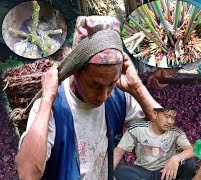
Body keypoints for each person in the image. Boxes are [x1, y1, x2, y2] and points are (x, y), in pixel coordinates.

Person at [15, 16, 161, 180]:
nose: (103, 96)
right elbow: (27, 173)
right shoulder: (53, 107)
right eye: (95, 85)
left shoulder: (120, 96)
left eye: (111, 84)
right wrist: (47, 99)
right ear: (75, 71)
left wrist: (137, 88)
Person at [113, 107, 196, 180]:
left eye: (173, 118)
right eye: (166, 116)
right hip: (142, 171)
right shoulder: (137, 129)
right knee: (119, 170)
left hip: (165, 173)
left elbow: (191, 150)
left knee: (189, 162)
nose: (170, 121)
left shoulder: (177, 133)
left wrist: (176, 158)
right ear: (155, 114)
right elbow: (118, 152)